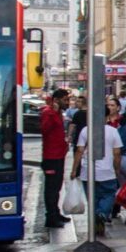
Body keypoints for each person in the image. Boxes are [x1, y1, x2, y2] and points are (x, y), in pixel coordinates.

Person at [71, 107, 123, 236]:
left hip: (87, 171)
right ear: (107, 117)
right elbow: (117, 153)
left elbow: (79, 151)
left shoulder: (86, 130)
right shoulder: (113, 131)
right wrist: (117, 169)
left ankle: (97, 224)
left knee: (92, 199)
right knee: (108, 195)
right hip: (107, 171)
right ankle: (102, 214)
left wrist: (74, 169)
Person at [40, 88, 72, 229]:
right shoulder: (48, 112)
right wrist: (53, 112)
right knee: (51, 189)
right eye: (65, 100)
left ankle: (55, 213)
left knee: (57, 187)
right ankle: (51, 217)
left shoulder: (58, 113)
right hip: (51, 157)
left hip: (59, 155)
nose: (68, 103)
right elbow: (45, 129)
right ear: (56, 100)